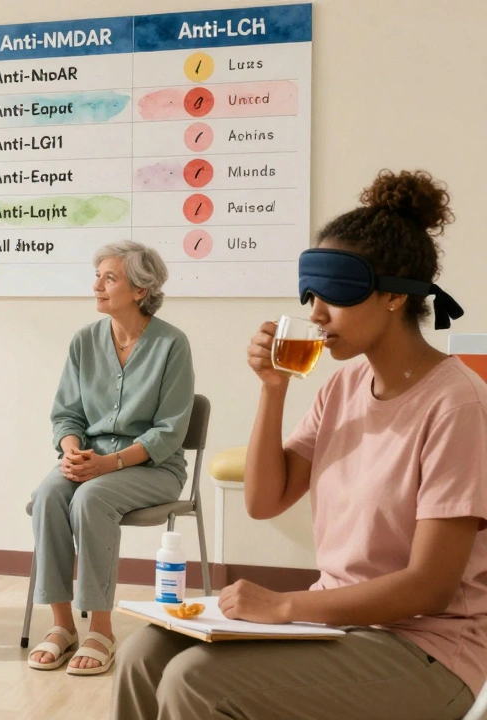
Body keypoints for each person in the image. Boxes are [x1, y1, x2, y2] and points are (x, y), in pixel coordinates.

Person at [112, 170, 484, 719]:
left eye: (336, 294)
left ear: (391, 296)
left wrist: (287, 605)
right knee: (143, 655)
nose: (316, 313)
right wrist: (273, 388)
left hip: (429, 649)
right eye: (311, 294)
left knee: (197, 681)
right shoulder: (343, 387)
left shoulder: (458, 405)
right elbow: (265, 501)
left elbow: (429, 587)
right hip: (339, 626)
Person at [26, 241, 194, 675]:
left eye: (109, 278)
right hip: (91, 460)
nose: (97, 285)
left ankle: (101, 629)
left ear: (140, 290)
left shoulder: (172, 344)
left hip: (154, 468)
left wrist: (110, 464)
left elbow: (170, 430)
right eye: (97, 276)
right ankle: (63, 626)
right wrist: (71, 452)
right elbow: (67, 414)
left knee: (91, 498)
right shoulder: (85, 341)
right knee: (48, 495)